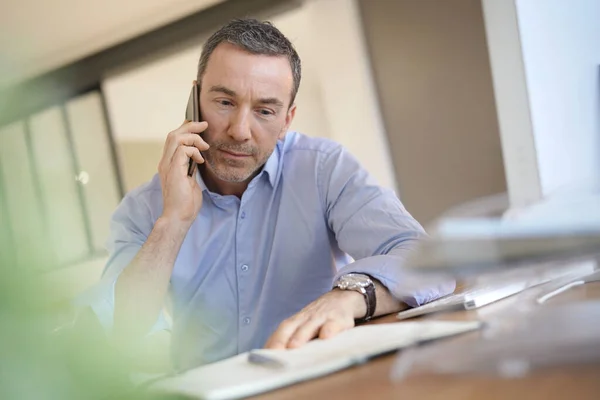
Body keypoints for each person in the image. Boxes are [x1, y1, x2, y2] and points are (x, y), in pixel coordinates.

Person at [99, 18, 454, 371]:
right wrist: (172, 221)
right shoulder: (141, 209)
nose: (239, 131)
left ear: (287, 120)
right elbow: (121, 331)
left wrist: (350, 297)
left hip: (317, 381)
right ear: (194, 99)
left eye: (265, 111)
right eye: (224, 102)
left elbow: (428, 262)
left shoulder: (323, 169)